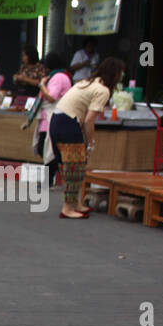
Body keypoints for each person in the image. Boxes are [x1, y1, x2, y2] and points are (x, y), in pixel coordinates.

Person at [49, 57, 124, 219]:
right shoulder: (103, 90)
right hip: (68, 122)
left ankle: (76, 204)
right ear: (115, 75)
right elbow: (89, 120)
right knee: (74, 167)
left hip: (57, 120)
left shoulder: (89, 82)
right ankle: (67, 208)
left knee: (70, 165)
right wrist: (90, 142)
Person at [34, 52, 71, 182]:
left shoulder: (58, 77)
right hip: (50, 117)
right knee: (45, 148)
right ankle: (51, 176)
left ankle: (49, 178)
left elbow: (51, 97)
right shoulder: (58, 76)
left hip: (52, 117)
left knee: (46, 149)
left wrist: (42, 85)